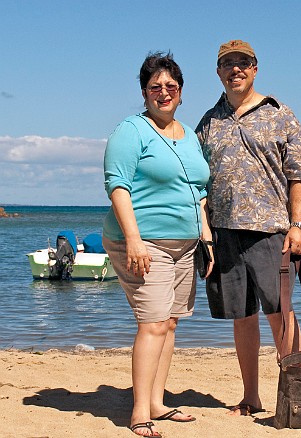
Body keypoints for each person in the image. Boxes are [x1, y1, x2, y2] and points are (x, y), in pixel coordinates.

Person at [196, 39, 301, 416]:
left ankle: (298, 394)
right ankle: (251, 396)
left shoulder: (280, 114)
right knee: (242, 317)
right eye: (227, 63)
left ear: (255, 68)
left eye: (243, 63)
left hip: (270, 231)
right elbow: (197, 182)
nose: (236, 69)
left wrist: (298, 226)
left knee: (281, 314)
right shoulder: (208, 122)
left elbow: (298, 175)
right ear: (218, 71)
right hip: (222, 234)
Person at [102, 52, 213, 437]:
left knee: (169, 323)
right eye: (155, 87)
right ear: (144, 92)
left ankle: (157, 402)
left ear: (181, 92)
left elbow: (198, 190)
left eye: (171, 86)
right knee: (151, 324)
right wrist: (134, 239)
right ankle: (138, 413)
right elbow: (117, 185)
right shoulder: (131, 130)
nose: (163, 92)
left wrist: (206, 238)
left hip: (185, 244)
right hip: (144, 241)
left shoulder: (188, 136)